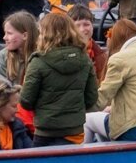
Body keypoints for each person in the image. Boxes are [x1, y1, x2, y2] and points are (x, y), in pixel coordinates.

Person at [20, 13, 98, 147]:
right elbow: (91, 98)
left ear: (45, 34)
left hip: (45, 131)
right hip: (74, 131)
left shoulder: (38, 61)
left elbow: (26, 101)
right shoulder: (85, 59)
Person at [67, 5, 107, 81]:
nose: (82, 29)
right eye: (77, 25)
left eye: (86, 24)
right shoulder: (63, 55)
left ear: (92, 26)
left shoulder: (102, 56)